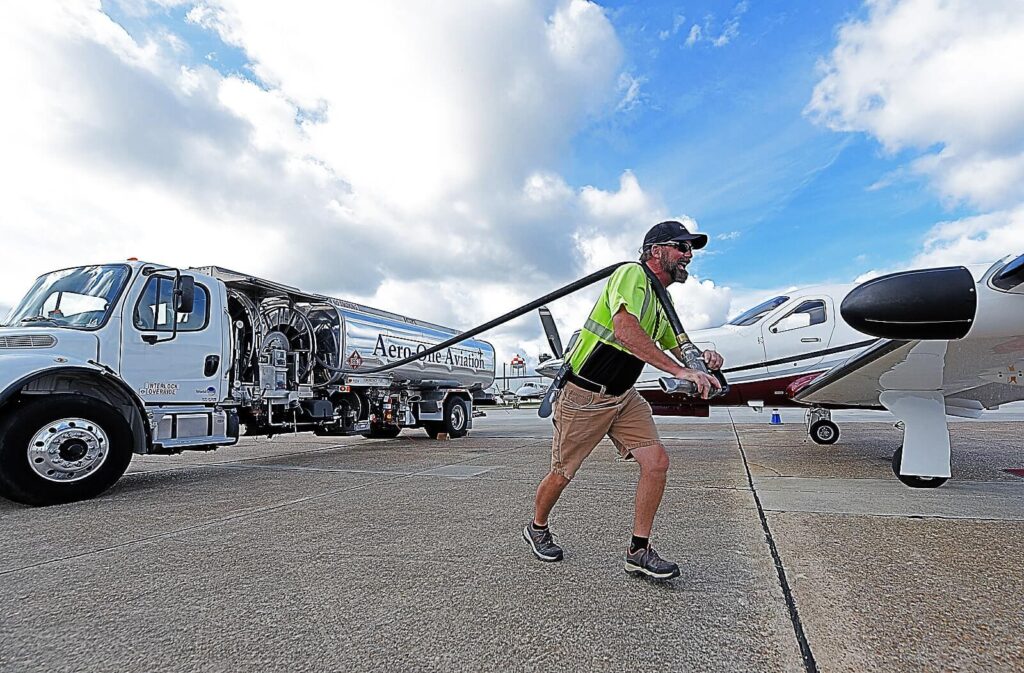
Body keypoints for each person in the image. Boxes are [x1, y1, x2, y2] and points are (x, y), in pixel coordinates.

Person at [523, 220, 724, 580]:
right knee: (562, 473)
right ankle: (537, 527)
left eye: (690, 248)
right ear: (656, 251)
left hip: (622, 397)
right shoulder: (631, 275)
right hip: (584, 395)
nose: (688, 255)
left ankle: (638, 551)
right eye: (681, 246)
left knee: (657, 462)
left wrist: (701, 360)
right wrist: (681, 372)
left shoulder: (663, 302)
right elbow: (625, 330)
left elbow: (677, 343)